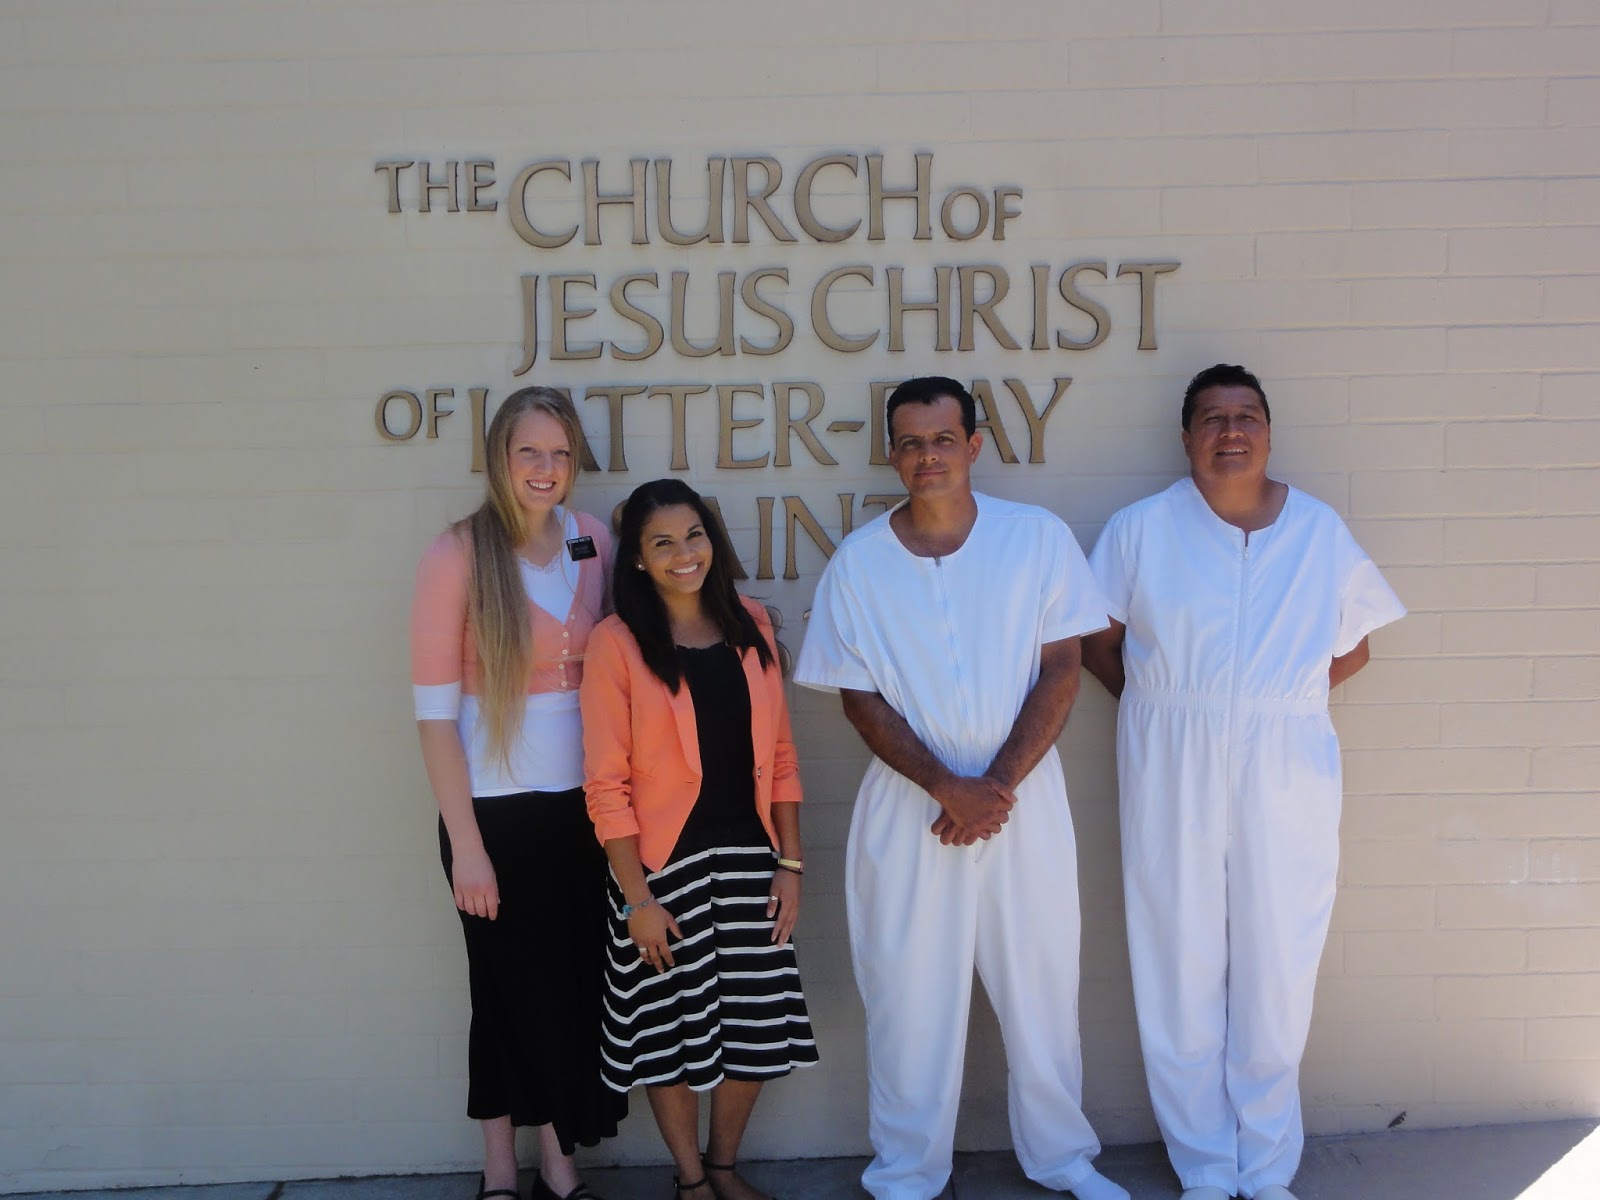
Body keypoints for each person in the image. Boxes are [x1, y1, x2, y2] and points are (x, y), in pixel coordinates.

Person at [793, 377, 1127, 1200]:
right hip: (910, 809)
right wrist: (947, 785)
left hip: (1022, 802)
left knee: (1042, 984)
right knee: (908, 996)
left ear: (973, 445)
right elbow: (858, 697)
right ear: (892, 455)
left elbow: (1062, 666)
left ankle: (1063, 1159)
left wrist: (994, 785)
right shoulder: (859, 563)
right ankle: (907, 1173)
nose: (927, 456)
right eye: (910, 443)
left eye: (943, 439)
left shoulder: (1036, 538)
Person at [1080, 364, 1406, 1200]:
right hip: (1169, 753)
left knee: (1279, 959)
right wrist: (1159, 706)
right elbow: (1095, 640)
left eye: (1247, 416)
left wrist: (1279, 702)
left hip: (1286, 761)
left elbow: (1355, 647)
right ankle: (1204, 1167)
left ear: (1268, 430)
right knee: (1176, 956)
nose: (1231, 431)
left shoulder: (1318, 530)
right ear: (1186, 436)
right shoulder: (1141, 528)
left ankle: (1264, 1171)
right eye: (1213, 418)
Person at [411, 386, 625, 1200]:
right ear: (499, 457)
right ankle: (499, 1166)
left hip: (586, 812)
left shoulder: (593, 538)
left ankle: (559, 1162)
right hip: (493, 817)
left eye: (560, 453)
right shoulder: (457, 555)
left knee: (573, 988)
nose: (546, 468)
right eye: (529, 451)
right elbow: (435, 717)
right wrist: (466, 845)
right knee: (502, 993)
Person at [580, 479, 819, 1200]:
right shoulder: (617, 642)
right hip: (662, 871)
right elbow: (606, 786)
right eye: (662, 543)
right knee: (670, 1037)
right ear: (638, 559)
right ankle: (691, 1184)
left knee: (754, 1026)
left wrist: (790, 863)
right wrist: (636, 901)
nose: (684, 553)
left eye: (694, 535)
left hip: (751, 862)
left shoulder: (752, 623)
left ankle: (722, 1168)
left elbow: (782, 756)